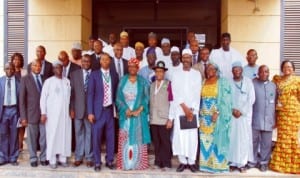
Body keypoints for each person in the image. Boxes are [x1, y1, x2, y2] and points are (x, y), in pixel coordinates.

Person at [169, 49, 202, 173]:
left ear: (191, 59)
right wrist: (185, 108)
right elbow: (175, 93)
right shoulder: (176, 74)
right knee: (180, 136)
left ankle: (192, 162)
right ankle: (183, 162)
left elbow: (197, 93)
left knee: (192, 137)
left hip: (192, 112)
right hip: (180, 110)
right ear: (182, 59)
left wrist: (192, 110)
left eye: (189, 57)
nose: (186, 60)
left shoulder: (196, 74)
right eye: (185, 57)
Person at [116, 58, 151, 170]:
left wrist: (138, 110)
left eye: (134, 66)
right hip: (125, 116)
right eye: (130, 66)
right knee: (125, 139)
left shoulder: (143, 82)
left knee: (138, 138)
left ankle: (138, 165)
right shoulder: (122, 80)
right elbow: (118, 98)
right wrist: (126, 110)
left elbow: (147, 98)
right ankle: (125, 164)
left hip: (138, 117)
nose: (132, 68)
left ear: (138, 68)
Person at [87, 53, 119, 172]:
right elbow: (90, 94)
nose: (105, 61)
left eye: (107, 60)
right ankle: (97, 161)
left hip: (110, 110)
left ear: (110, 62)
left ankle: (109, 160)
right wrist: (90, 112)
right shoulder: (94, 75)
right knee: (96, 137)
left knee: (111, 137)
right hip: (97, 111)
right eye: (103, 60)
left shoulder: (114, 75)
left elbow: (117, 92)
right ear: (100, 61)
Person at [199, 63, 232, 173]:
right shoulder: (203, 82)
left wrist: (217, 112)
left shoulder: (222, 82)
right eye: (208, 68)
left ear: (217, 70)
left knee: (217, 140)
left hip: (217, 117)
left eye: (212, 68)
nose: (210, 70)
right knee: (206, 142)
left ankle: (218, 166)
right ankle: (206, 165)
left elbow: (226, 100)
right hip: (204, 118)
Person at [269, 60, 300, 174]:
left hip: (293, 113)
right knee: (282, 138)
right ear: (282, 68)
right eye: (285, 66)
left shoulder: (297, 81)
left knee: (292, 138)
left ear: (293, 69)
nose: (287, 68)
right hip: (281, 113)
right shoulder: (278, 80)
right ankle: (280, 165)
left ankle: (294, 166)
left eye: (290, 67)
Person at [40, 60, 71, 169]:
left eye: (61, 68)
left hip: (64, 115)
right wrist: (43, 113)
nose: (59, 70)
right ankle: (52, 159)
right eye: (57, 68)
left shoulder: (67, 81)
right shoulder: (49, 82)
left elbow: (70, 98)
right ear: (53, 69)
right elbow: (43, 98)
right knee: (52, 136)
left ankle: (63, 159)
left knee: (64, 136)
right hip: (52, 115)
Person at [19, 59, 48, 167]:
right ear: (31, 67)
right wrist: (23, 117)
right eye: (35, 65)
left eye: (39, 66)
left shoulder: (45, 79)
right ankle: (33, 158)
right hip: (31, 114)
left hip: (44, 114)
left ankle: (44, 157)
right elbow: (21, 100)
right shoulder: (25, 79)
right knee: (31, 138)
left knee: (44, 137)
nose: (37, 67)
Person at [228, 61, 255, 173]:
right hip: (232, 115)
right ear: (232, 71)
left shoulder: (248, 82)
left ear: (242, 70)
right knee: (232, 139)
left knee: (243, 139)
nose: (237, 71)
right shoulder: (229, 82)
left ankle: (242, 163)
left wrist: (242, 111)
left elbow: (251, 99)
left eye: (239, 69)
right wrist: (232, 110)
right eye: (235, 70)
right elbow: (226, 98)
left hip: (244, 117)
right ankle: (233, 163)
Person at [70, 54, 94, 168]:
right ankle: (79, 157)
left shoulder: (95, 74)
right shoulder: (74, 75)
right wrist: (72, 109)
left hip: (90, 111)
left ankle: (89, 157)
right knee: (78, 133)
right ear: (81, 62)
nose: (86, 63)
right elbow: (72, 94)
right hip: (78, 109)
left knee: (89, 134)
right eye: (84, 61)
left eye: (88, 61)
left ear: (91, 63)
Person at [251, 65, 276, 172]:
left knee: (266, 142)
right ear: (258, 73)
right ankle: (253, 161)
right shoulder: (252, 84)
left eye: (266, 71)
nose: (264, 74)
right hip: (255, 118)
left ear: (269, 73)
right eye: (262, 72)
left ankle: (264, 162)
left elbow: (276, 102)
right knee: (253, 141)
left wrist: (275, 119)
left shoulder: (273, 86)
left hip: (269, 119)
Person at [150, 61, 173, 171]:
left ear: (164, 73)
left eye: (161, 71)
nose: (159, 73)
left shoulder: (169, 85)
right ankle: (158, 161)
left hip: (164, 118)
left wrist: (170, 119)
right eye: (157, 71)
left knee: (165, 141)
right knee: (156, 141)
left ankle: (167, 162)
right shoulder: (152, 85)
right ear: (155, 72)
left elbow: (172, 102)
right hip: (154, 118)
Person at [0, 62, 20, 166]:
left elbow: (21, 99)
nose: (10, 71)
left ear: (14, 70)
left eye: (11, 69)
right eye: (7, 69)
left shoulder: (19, 81)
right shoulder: (0, 81)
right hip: (3, 111)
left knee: (14, 135)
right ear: (4, 69)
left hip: (14, 110)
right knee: (3, 135)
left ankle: (13, 157)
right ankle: (3, 157)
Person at [11, 52, 27, 151]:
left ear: (21, 61)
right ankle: (14, 145)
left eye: (18, 59)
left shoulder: (25, 72)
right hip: (13, 102)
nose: (16, 61)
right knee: (13, 125)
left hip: (23, 101)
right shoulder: (9, 71)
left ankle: (20, 144)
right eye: (15, 59)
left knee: (22, 123)